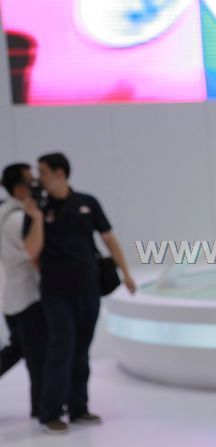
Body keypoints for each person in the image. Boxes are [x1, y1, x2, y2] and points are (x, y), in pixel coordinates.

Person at [32, 152, 137, 434]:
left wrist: (126, 272)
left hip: (88, 289)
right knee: (61, 347)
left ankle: (78, 407)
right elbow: (32, 251)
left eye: (43, 172)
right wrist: (37, 216)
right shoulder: (40, 209)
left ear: (59, 173)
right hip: (56, 292)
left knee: (81, 349)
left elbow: (108, 237)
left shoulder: (87, 203)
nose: (39, 178)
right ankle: (50, 412)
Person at [0, 163, 47, 419]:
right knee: (36, 356)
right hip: (27, 297)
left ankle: (41, 405)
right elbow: (32, 251)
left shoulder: (5, 211)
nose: (36, 184)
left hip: (12, 297)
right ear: (19, 188)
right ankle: (42, 408)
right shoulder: (17, 218)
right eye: (30, 181)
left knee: (17, 349)